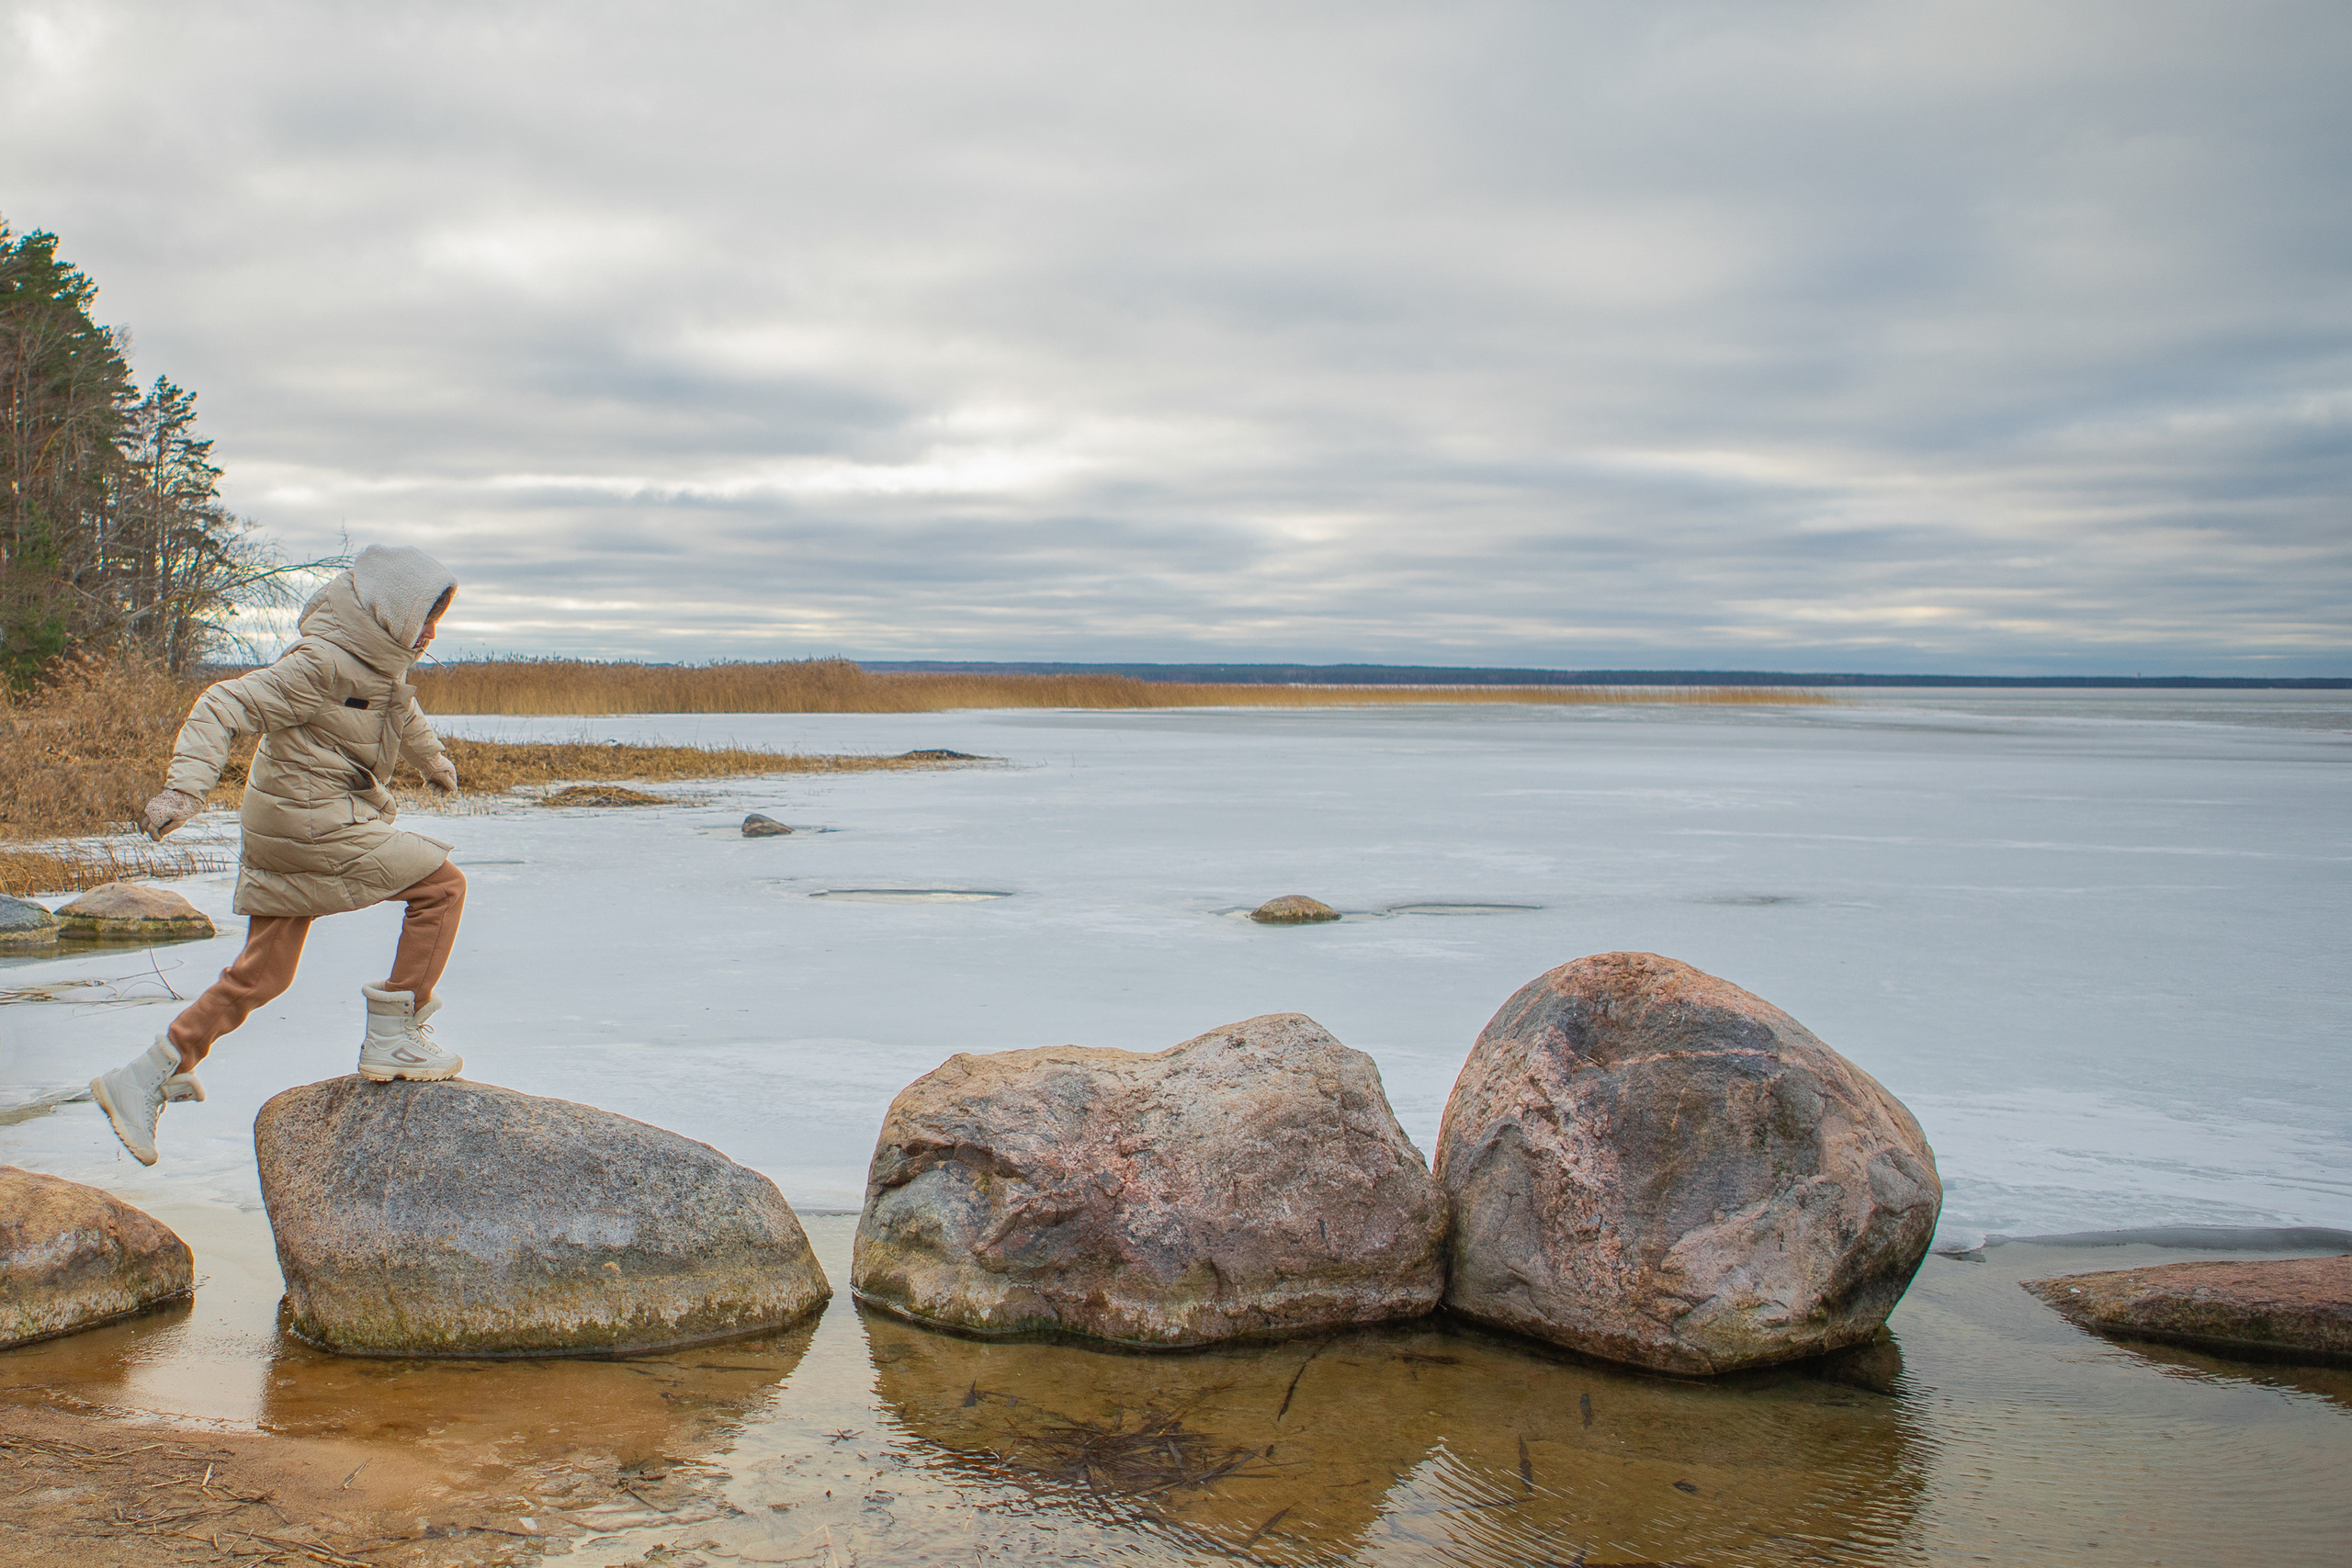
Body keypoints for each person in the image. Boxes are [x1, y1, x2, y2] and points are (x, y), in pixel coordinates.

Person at [90, 546, 470, 1166]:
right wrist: (184, 790)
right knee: (441, 886)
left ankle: (143, 1076)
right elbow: (222, 704)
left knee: (263, 975)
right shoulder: (321, 663)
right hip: (309, 821)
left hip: (297, 820)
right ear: (390, 610)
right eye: (424, 617)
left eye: (438, 619)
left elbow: (405, 710)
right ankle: (394, 1035)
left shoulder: (381, 664)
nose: (431, 632)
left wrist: (436, 764)